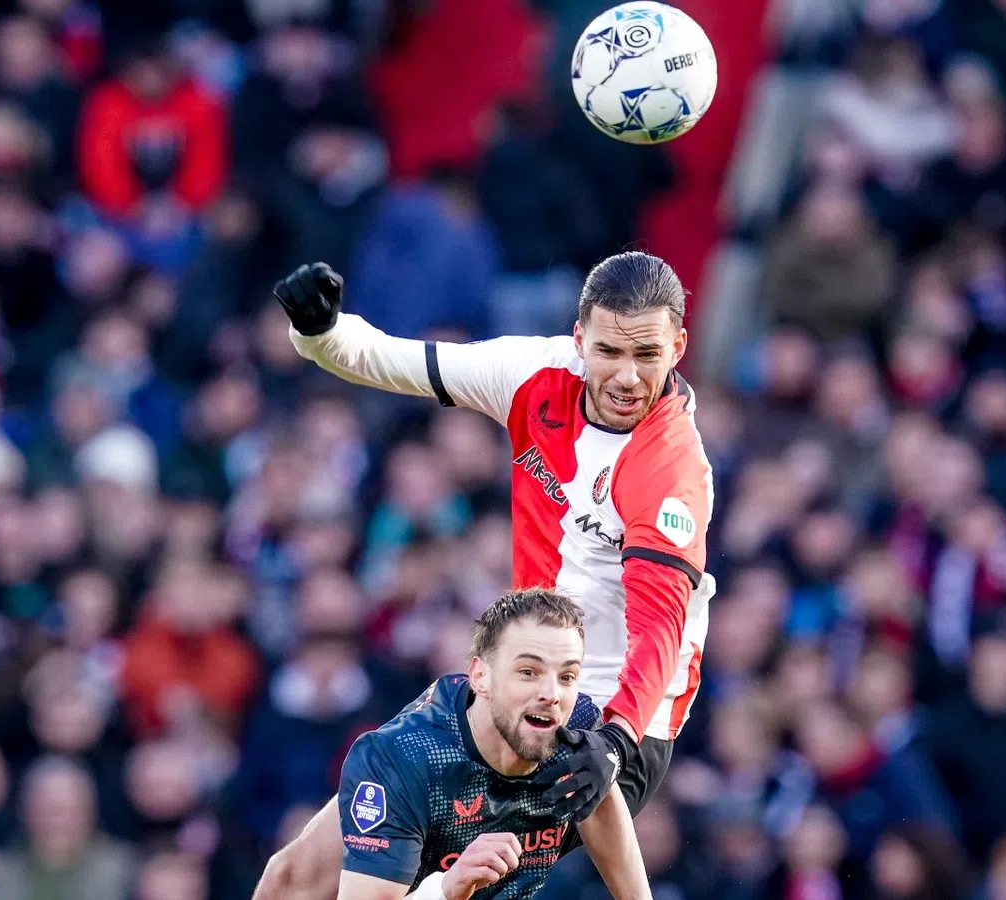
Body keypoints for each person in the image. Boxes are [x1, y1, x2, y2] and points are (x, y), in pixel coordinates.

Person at [255, 252, 714, 897]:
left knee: (438, 885)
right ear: (580, 339)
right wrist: (321, 333)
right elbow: (391, 360)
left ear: (679, 348)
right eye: (609, 351)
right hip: (512, 683)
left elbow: (660, 629)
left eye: (648, 355)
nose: (627, 377)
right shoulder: (534, 375)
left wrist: (612, 741)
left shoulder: (670, 470)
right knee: (293, 878)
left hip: (616, 719)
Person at [336, 589, 651, 900]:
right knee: (296, 875)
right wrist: (447, 889)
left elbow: (602, 800)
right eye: (528, 672)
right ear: (480, 676)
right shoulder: (402, 758)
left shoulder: (578, 728)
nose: (552, 693)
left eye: (567, 676)